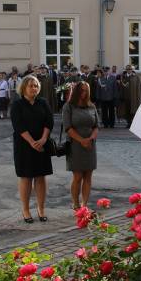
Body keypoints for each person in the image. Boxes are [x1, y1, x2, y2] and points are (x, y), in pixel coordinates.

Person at [10, 75, 53, 223]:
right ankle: (26, 210)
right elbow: (18, 125)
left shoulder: (43, 102)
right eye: (31, 86)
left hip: (42, 144)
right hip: (24, 145)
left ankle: (41, 209)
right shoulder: (17, 104)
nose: (34, 88)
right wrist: (32, 142)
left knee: (41, 177)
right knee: (26, 177)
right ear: (24, 88)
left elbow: (49, 122)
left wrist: (43, 139)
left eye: (36, 85)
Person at [63, 81, 99, 209]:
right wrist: (82, 140)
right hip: (75, 145)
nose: (84, 93)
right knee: (77, 176)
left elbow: (96, 126)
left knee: (88, 176)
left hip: (90, 145)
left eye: (86, 91)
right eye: (82, 90)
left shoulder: (92, 106)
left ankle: (85, 205)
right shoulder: (68, 106)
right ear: (77, 91)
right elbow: (68, 128)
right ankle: (76, 204)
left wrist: (91, 138)